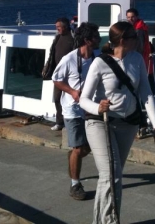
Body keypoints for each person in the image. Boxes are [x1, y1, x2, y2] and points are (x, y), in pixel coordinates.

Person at [80, 21, 155, 224]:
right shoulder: (99, 63)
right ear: (124, 40)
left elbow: (146, 92)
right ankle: (110, 221)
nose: (140, 39)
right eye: (135, 36)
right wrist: (98, 107)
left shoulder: (136, 59)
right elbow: (83, 99)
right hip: (101, 122)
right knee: (112, 175)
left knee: (110, 177)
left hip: (128, 124)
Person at [52, 22, 101, 200]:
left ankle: (74, 155)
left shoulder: (98, 58)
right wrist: (72, 92)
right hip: (72, 110)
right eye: (96, 37)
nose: (99, 39)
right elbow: (56, 79)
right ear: (87, 41)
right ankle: (75, 185)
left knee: (86, 148)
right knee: (79, 149)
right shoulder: (69, 59)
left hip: (91, 108)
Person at [48, 17, 75, 131]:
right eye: (56, 27)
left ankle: (70, 122)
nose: (57, 29)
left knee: (70, 99)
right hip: (58, 75)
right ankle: (59, 122)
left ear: (65, 27)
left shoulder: (72, 39)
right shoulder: (58, 38)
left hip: (69, 76)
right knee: (57, 98)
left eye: (59, 27)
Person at [125, 8, 154, 78]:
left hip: (140, 57)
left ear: (137, 17)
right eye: (128, 17)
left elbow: (139, 45)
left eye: (132, 17)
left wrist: (133, 57)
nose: (130, 19)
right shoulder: (140, 26)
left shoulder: (139, 29)